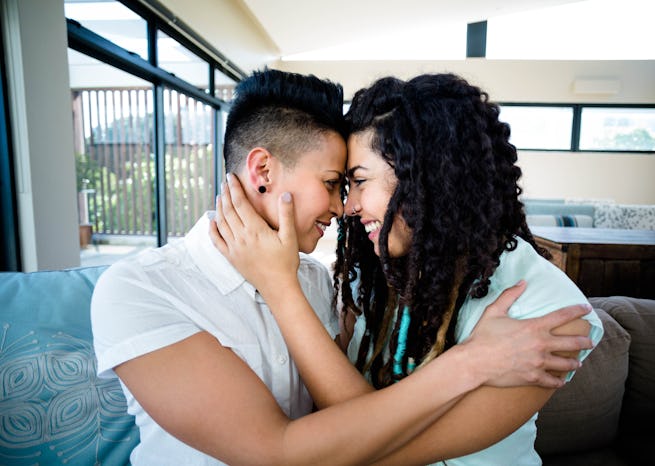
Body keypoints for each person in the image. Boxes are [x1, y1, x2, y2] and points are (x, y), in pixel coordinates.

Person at [91, 68, 593, 466]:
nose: (345, 206)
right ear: (262, 170)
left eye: (353, 181)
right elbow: (296, 448)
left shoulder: (320, 281)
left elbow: (365, 440)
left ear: (427, 179)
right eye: (336, 182)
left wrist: (282, 285)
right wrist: (473, 362)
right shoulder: (142, 289)